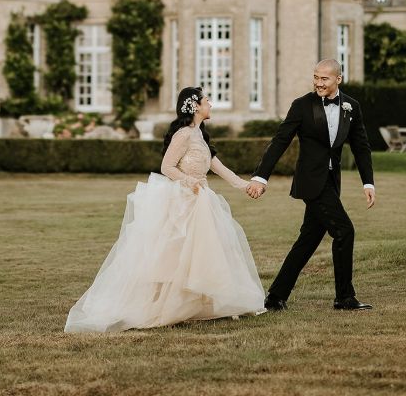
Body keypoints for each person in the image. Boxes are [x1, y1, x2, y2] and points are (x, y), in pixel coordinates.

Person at [64, 87, 266, 333]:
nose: (211, 104)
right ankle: (168, 305)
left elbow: (219, 168)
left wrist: (247, 186)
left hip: (201, 200)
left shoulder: (200, 135)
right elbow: (167, 167)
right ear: (195, 106)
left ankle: (197, 305)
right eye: (207, 101)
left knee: (202, 254)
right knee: (175, 255)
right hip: (184, 201)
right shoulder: (183, 135)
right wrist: (189, 181)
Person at [245, 59, 376, 311]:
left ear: (338, 79)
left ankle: (275, 297)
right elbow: (280, 140)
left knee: (308, 240)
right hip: (310, 181)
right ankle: (344, 297)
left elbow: (361, 146)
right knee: (344, 231)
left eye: (324, 78)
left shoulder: (351, 107)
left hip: (331, 183)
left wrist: (368, 182)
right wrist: (261, 177)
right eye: (315, 77)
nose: (318, 83)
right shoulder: (302, 105)